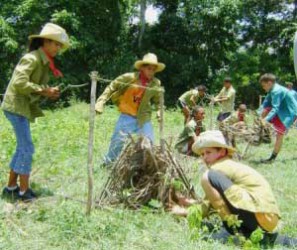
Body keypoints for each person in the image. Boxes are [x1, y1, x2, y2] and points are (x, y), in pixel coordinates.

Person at [171, 130, 297, 248]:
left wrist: (182, 212)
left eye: (208, 152)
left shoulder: (217, 169)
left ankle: (231, 231)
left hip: (259, 214)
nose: (204, 157)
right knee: (263, 239)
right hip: (268, 219)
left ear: (222, 152)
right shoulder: (228, 166)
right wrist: (189, 205)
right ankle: (266, 238)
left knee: (206, 177)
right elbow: (209, 203)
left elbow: (207, 207)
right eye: (203, 154)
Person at [1, 23, 70, 201]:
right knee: (27, 148)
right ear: (45, 42)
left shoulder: (44, 61)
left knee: (22, 147)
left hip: (21, 107)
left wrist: (47, 92)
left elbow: (34, 87)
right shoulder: (32, 59)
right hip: (15, 107)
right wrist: (42, 90)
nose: (58, 48)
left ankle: (10, 188)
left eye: (60, 45)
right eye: (56, 44)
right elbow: (19, 83)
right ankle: (24, 192)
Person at [95, 53, 165, 165]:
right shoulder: (129, 77)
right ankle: (108, 163)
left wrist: (159, 112)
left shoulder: (156, 83)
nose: (151, 72)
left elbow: (158, 101)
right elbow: (112, 87)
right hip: (127, 115)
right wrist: (100, 102)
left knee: (149, 144)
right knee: (118, 142)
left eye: (153, 70)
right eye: (149, 69)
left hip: (144, 117)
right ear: (142, 68)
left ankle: (143, 167)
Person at [258, 74, 297, 163]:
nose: (263, 88)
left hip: (289, 112)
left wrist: (265, 120)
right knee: (265, 111)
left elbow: (275, 108)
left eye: (264, 86)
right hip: (282, 111)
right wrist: (259, 115)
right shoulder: (272, 89)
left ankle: (272, 158)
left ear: (269, 83)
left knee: (280, 134)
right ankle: (265, 134)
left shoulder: (276, 91)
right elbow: (265, 103)